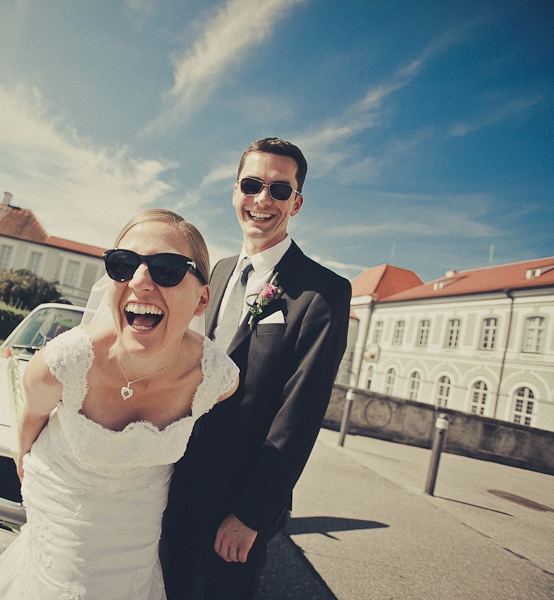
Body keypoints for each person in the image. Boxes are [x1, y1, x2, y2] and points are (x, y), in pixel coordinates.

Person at [0, 209, 239, 600]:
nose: (140, 282)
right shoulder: (60, 366)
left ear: (202, 298)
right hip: (63, 507)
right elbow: (28, 432)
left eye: (167, 269)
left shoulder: (216, 379)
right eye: (123, 265)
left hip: (139, 525)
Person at [161, 138, 352, 599]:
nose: (263, 199)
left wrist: (252, 514)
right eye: (252, 185)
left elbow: (299, 415)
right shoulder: (218, 271)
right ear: (235, 192)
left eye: (279, 190)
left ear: (297, 202)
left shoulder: (322, 294)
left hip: (236, 502)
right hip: (171, 478)